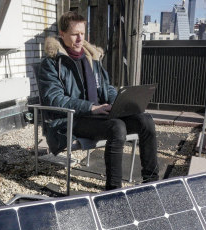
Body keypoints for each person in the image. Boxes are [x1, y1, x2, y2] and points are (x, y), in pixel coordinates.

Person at [38, 11, 159, 190]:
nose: (80, 39)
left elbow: (106, 87)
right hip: (71, 120)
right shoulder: (52, 63)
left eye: (82, 33)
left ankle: (152, 181)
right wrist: (90, 107)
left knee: (145, 120)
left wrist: (120, 103)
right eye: (74, 34)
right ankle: (113, 190)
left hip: (97, 115)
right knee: (117, 127)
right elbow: (53, 99)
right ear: (62, 34)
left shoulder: (91, 57)